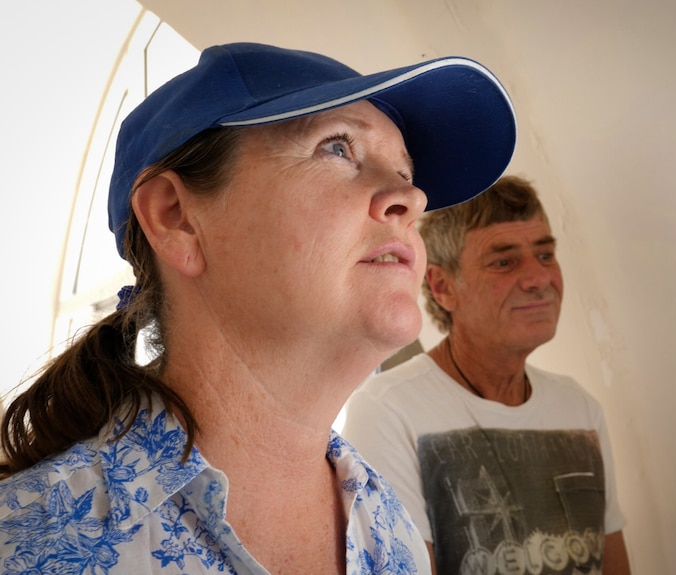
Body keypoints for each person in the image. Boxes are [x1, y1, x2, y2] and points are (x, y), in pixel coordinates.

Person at [0, 42, 516, 574]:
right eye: (338, 148)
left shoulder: (391, 531)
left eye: (407, 175)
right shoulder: (27, 548)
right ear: (175, 217)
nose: (412, 199)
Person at [341, 175, 632, 574]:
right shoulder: (389, 409)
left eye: (546, 256)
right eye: (504, 261)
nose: (538, 279)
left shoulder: (579, 408)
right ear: (443, 286)